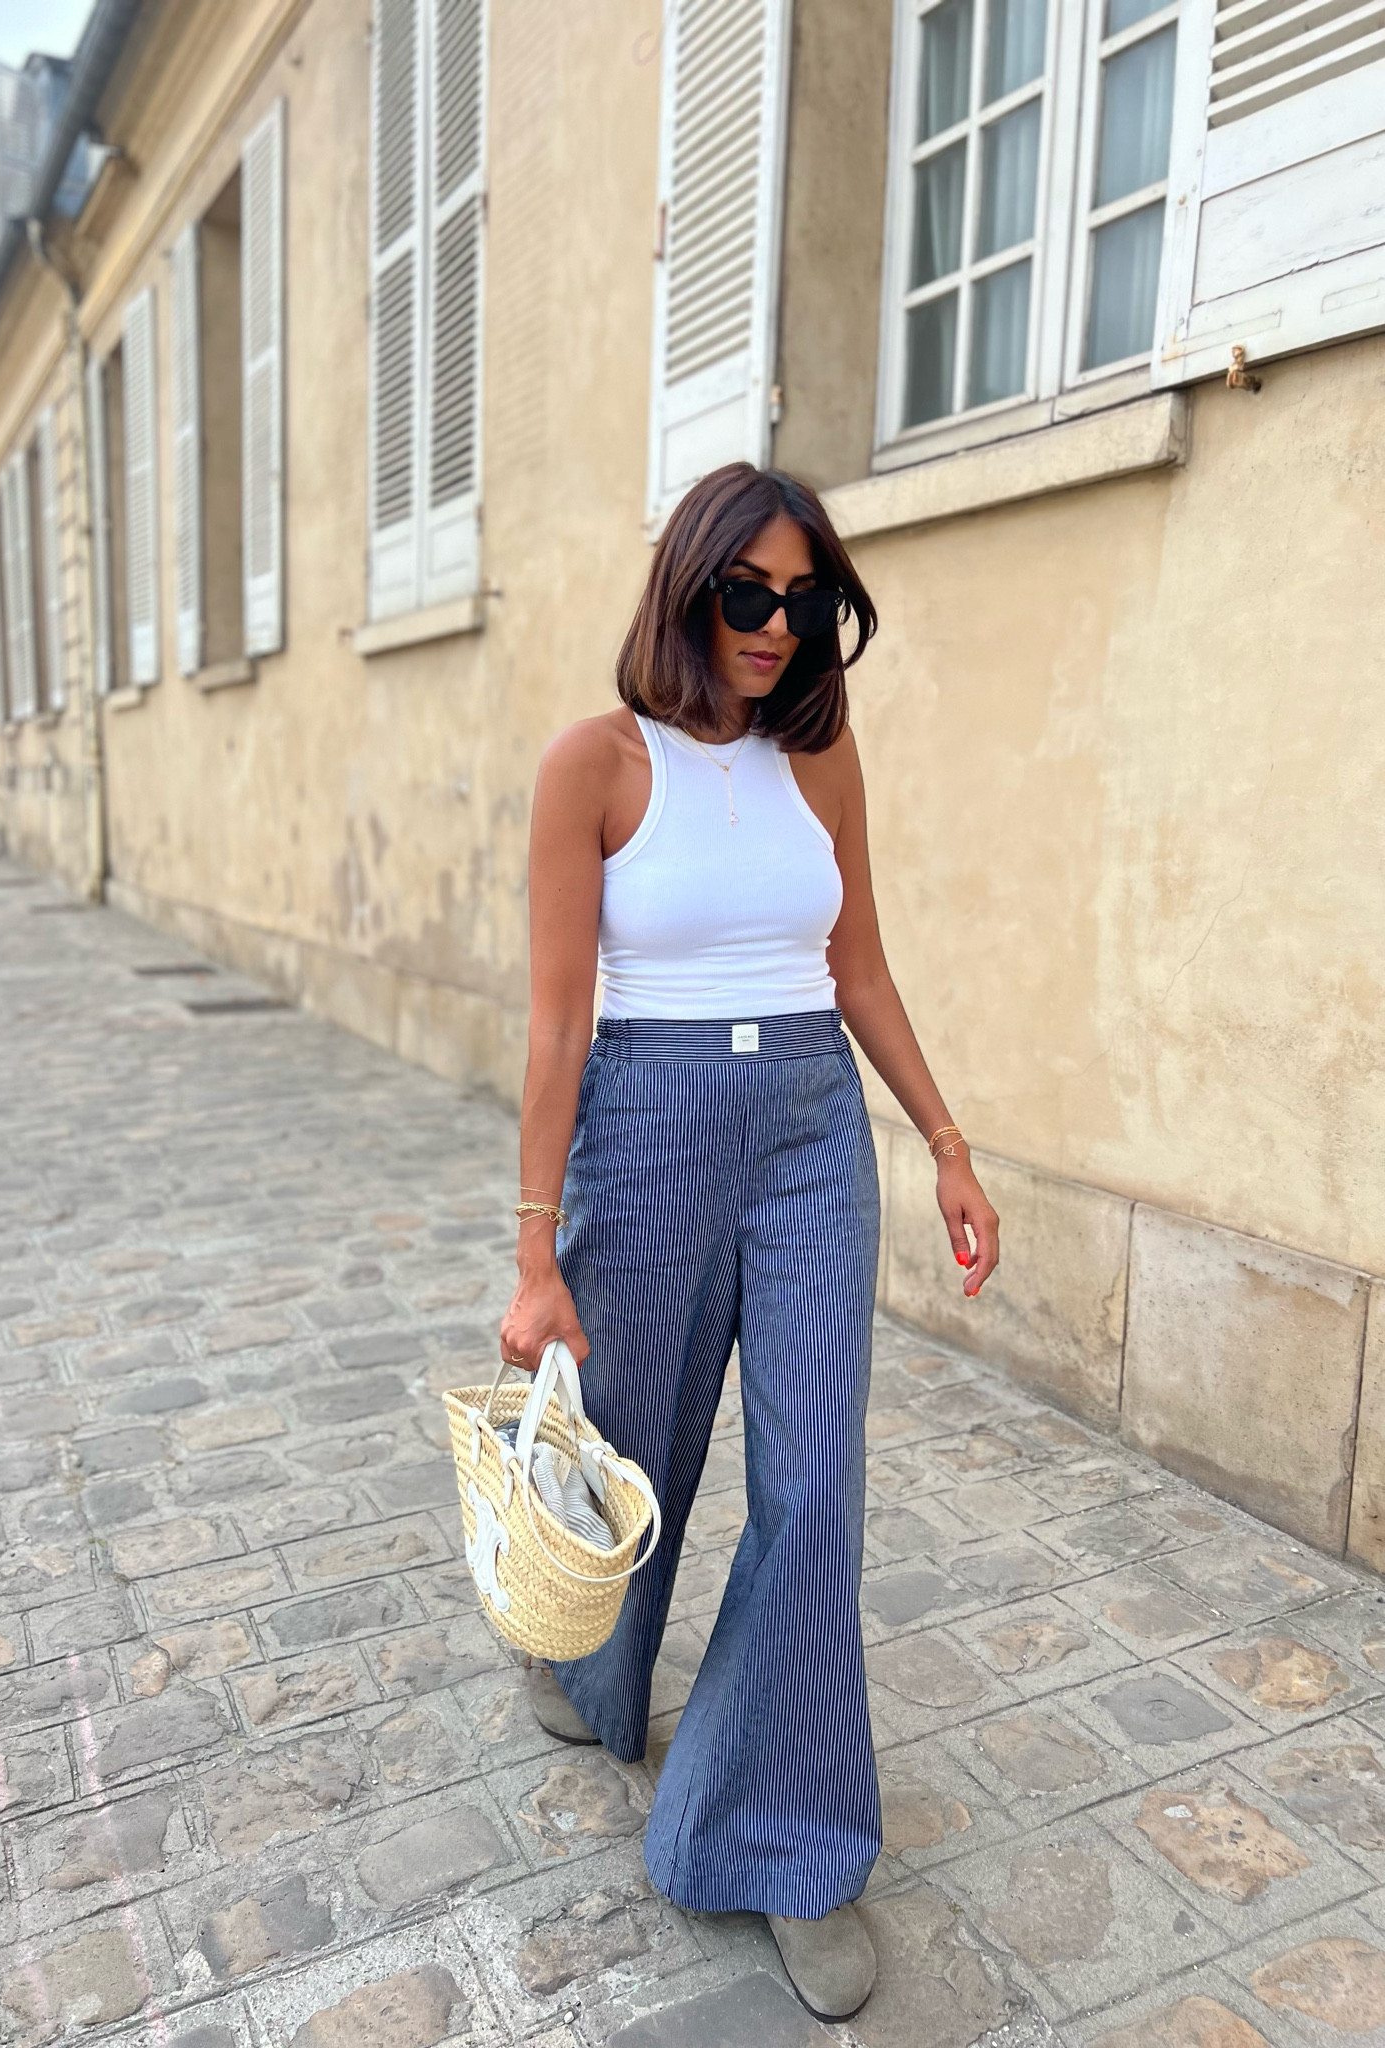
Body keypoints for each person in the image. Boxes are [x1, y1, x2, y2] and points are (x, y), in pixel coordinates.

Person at [499, 462, 1000, 2021]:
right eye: (749, 594)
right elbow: (558, 1017)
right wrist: (534, 1251)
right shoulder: (595, 762)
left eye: (806, 600)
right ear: (688, 583)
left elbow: (857, 965)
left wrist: (947, 1138)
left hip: (805, 1129)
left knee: (811, 1481)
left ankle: (777, 1837)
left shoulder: (824, 758)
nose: (778, 627)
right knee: (638, 1445)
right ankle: (595, 1667)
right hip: (642, 1125)